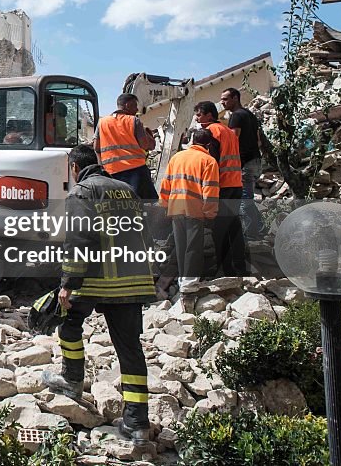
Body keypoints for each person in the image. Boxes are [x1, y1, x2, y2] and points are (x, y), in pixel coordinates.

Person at [43, 145, 155, 445]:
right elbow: (143, 233)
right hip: (131, 280)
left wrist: (68, 282)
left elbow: (80, 238)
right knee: (130, 348)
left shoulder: (82, 192)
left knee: (67, 323)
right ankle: (137, 422)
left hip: (97, 280)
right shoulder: (127, 190)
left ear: (76, 168)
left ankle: (72, 380)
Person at [158, 128, 220, 294]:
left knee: (181, 245)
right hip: (195, 210)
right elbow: (210, 190)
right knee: (193, 247)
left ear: (192, 140)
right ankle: (189, 282)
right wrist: (210, 213)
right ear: (208, 144)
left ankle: (180, 281)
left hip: (176, 207)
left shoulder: (177, 157)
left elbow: (166, 184)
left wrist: (164, 204)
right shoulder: (209, 161)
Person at [194, 101, 246, 277]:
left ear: (209, 115)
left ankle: (225, 270)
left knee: (220, 230)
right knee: (234, 227)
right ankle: (240, 267)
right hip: (235, 184)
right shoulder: (227, 131)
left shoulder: (212, 132)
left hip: (222, 186)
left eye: (199, 114)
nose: (196, 118)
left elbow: (211, 162)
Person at [220, 88, 265, 242]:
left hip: (245, 163)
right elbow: (258, 140)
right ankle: (259, 228)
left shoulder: (236, 116)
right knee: (247, 199)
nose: (222, 102)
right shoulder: (250, 115)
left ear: (235, 98)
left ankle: (251, 235)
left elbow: (233, 141)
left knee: (244, 200)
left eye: (225, 99)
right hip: (255, 161)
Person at [93, 94, 157, 200]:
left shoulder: (102, 122)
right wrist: (149, 136)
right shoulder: (133, 120)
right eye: (135, 106)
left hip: (111, 172)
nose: (137, 109)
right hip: (136, 171)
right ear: (127, 105)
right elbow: (145, 145)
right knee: (149, 202)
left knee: (120, 204)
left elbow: (96, 147)